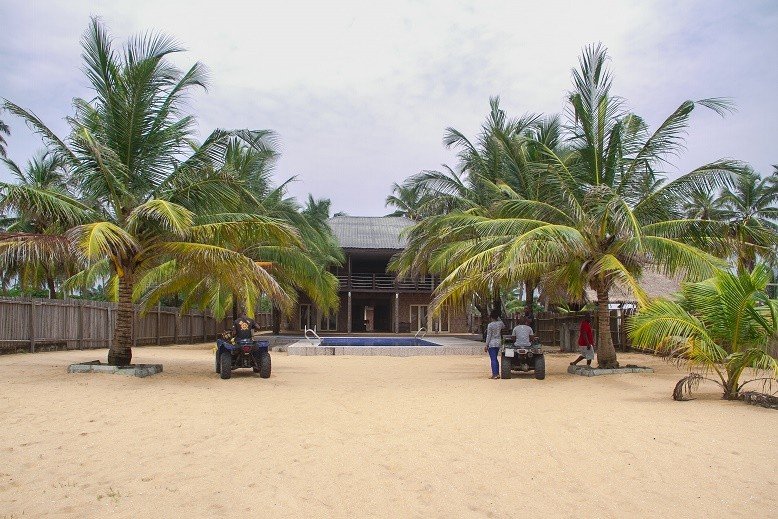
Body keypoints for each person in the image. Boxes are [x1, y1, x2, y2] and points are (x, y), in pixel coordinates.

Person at [483, 309, 504, 379]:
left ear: (491, 317)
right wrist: (498, 317)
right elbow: (504, 325)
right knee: (495, 358)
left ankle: (494, 374)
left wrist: (486, 344)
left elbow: (488, 335)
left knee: (493, 359)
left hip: (492, 343)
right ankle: (497, 374)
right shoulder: (500, 323)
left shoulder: (490, 325)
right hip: (498, 342)